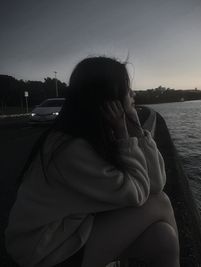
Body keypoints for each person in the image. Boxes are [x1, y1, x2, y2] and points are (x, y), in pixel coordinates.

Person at [5, 56, 180, 267]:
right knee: (160, 203)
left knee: (164, 240)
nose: (133, 94)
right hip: (43, 251)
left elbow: (155, 183)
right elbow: (138, 192)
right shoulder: (70, 149)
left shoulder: (95, 135)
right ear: (109, 99)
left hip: (68, 232)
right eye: (127, 88)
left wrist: (138, 133)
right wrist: (126, 134)